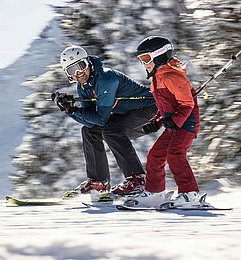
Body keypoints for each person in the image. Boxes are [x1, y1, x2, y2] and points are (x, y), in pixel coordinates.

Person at [53, 45, 157, 198]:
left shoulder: (106, 78)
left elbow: (101, 119)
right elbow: (90, 121)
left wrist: (73, 110)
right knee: (89, 132)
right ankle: (98, 182)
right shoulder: (83, 86)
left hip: (151, 111)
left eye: (79, 66)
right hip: (128, 115)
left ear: (87, 63)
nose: (78, 73)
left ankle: (137, 180)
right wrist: (69, 109)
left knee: (111, 131)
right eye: (71, 71)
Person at [125, 36, 201, 207]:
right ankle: (155, 192)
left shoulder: (172, 77)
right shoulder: (156, 80)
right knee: (155, 156)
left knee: (175, 154)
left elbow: (187, 104)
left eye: (146, 59)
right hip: (174, 124)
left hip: (187, 124)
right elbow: (164, 107)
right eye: (141, 60)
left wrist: (175, 121)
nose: (144, 64)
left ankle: (190, 194)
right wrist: (157, 121)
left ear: (159, 56)